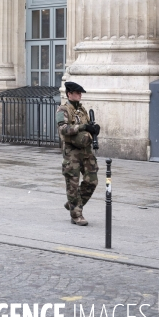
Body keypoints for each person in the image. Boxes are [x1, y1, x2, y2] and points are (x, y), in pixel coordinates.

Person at [56, 81, 100, 226]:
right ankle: (76, 215)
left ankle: (72, 203)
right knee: (72, 184)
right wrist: (83, 127)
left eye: (80, 93)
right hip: (72, 152)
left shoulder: (82, 110)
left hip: (86, 151)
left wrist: (93, 129)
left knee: (92, 180)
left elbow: (87, 127)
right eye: (77, 93)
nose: (80, 95)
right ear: (69, 94)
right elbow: (63, 129)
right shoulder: (62, 110)